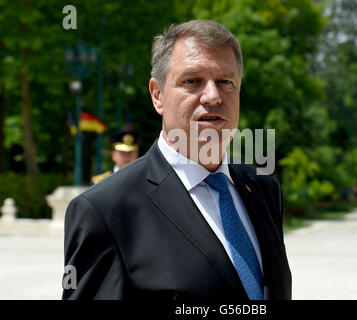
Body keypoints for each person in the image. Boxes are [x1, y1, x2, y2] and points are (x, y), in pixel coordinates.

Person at [63, 19, 292, 300]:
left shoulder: (264, 190)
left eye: (225, 82)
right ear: (157, 95)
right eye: (192, 81)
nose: (213, 96)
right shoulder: (106, 211)